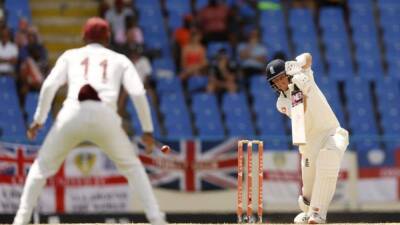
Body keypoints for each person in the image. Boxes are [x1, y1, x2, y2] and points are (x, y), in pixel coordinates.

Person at [12, 17, 166, 225]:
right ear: (108, 37)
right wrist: (147, 131)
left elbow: (49, 86)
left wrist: (39, 120)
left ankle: (20, 220)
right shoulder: (120, 59)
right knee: (133, 167)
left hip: (72, 113)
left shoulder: (70, 55)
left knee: (40, 169)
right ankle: (157, 219)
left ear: (84, 36)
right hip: (105, 115)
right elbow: (138, 93)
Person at [265, 53, 349, 224]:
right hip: (309, 145)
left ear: (288, 73)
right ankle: (309, 210)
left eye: (282, 77)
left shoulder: (303, 75)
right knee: (306, 201)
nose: (281, 82)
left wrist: (298, 64)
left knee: (329, 156)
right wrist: (300, 91)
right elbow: (299, 115)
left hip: (331, 132)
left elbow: (308, 57)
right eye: (276, 81)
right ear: (273, 85)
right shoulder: (281, 103)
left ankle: (317, 214)